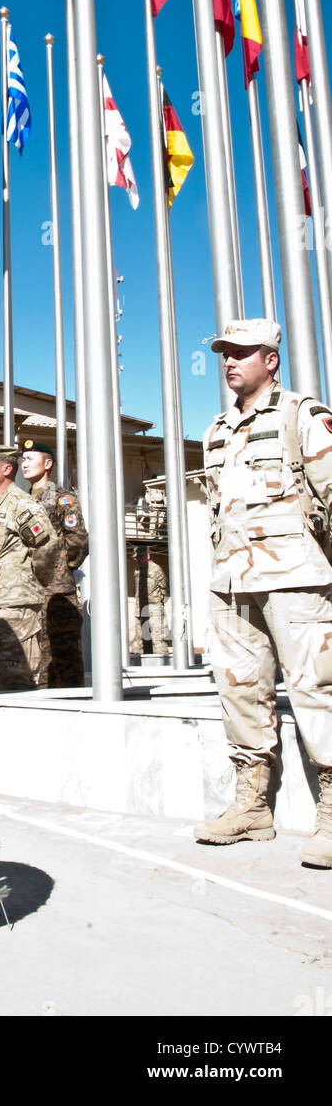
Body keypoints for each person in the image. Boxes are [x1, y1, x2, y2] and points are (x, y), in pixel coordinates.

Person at [194, 318, 332, 868]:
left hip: (295, 578)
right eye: (225, 353)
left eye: (242, 353)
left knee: (316, 690)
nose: (230, 362)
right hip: (230, 582)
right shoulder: (217, 430)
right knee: (239, 691)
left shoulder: (304, 417)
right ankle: (252, 808)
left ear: (270, 360)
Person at [0, 445, 60, 691]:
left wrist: (32, 582)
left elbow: (47, 546)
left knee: (19, 684)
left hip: (15, 609)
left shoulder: (21, 504)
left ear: (7, 469)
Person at [19, 437, 88, 687]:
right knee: (38, 663)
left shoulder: (62, 499)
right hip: (30, 591)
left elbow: (78, 541)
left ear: (47, 464)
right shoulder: (23, 500)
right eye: (23, 459)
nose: (24, 463)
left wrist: (59, 570)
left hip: (57, 592)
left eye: (30, 458)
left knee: (64, 660)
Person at [132, 546, 169, 657]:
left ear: (147, 556)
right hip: (140, 608)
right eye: (136, 558)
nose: (137, 560)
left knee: (157, 639)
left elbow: (164, 589)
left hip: (154, 608)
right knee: (140, 640)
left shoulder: (156, 570)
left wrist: (158, 603)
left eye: (140, 557)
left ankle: (163, 664)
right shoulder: (137, 571)